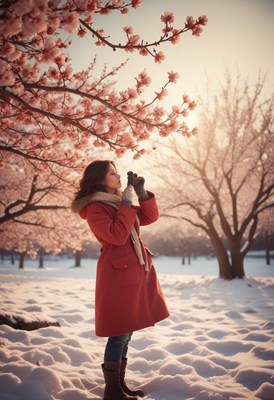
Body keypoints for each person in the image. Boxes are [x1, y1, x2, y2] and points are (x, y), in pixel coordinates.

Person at [71, 160, 169, 400]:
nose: (117, 176)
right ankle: (111, 390)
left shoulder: (117, 203)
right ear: (100, 179)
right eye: (112, 173)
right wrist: (126, 204)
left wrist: (141, 194)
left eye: (116, 172)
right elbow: (116, 235)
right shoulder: (95, 208)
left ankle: (119, 384)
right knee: (119, 332)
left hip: (134, 271)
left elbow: (149, 217)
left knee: (127, 331)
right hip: (117, 274)